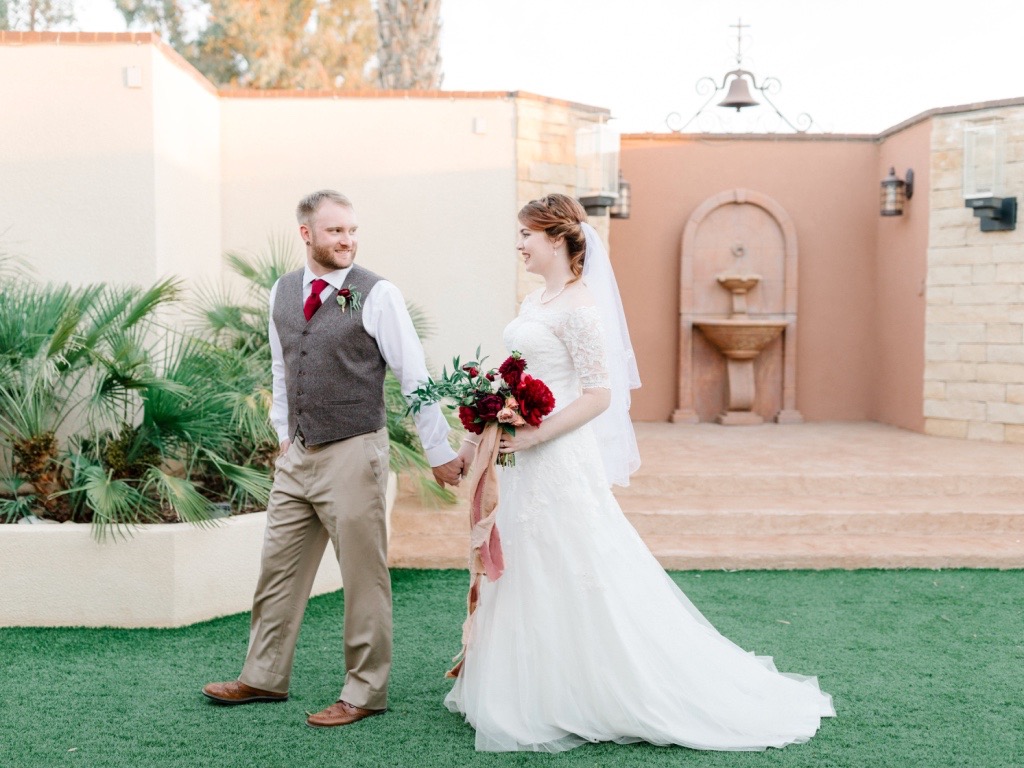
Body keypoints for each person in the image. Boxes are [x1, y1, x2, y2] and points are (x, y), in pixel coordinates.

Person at [444, 194, 835, 752]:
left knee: (573, 559)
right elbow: (515, 379)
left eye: (526, 235)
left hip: (555, 458)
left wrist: (532, 434)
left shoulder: (579, 307)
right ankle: (531, 687)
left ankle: (597, 690)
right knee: (529, 560)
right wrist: (480, 429)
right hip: (523, 462)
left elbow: (600, 394)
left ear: (556, 238)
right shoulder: (536, 302)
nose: (519, 244)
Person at [203, 190, 464, 728]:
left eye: (351, 231)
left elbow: (414, 376)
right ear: (306, 234)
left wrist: (438, 451)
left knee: (363, 578)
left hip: (353, 451)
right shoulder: (282, 292)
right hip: (297, 454)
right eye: (334, 232)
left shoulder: (377, 293)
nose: (347, 241)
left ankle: (364, 691)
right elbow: (281, 371)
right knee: (277, 571)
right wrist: (282, 436)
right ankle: (262, 676)